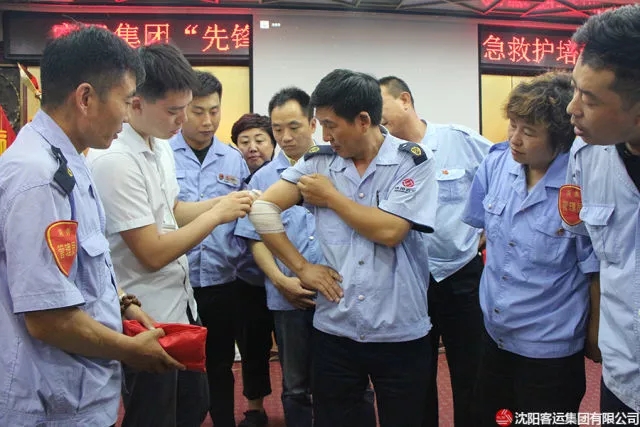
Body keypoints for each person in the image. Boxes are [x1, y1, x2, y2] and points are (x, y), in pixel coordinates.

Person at [0, 26, 184, 427]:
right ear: (85, 98)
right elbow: (47, 317)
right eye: (126, 100)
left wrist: (122, 303)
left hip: (78, 390)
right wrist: (129, 350)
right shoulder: (38, 176)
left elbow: (81, 265)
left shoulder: (69, 160)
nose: (128, 114)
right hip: (50, 403)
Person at [249, 69, 438, 427]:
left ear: (363, 120)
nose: (325, 135)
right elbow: (262, 209)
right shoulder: (318, 160)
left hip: (398, 328)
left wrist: (332, 197)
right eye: (321, 125)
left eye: (331, 125)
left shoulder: (411, 160)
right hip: (336, 327)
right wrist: (301, 267)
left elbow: (390, 230)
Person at [87, 44, 254, 427]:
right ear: (136, 103)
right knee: (154, 414)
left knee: (193, 405)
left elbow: (172, 212)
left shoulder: (159, 145)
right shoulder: (116, 160)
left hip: (180, 305)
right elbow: (152, 253)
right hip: (145, 315)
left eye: (187, 108)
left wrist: (224, 202)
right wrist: (217, 215)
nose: (183, 120)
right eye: (174, 111)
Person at [461, 71, 600, 426]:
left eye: (529, 131)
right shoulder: (496, 164)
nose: (514, 139)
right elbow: (482, 230)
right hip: (494, 334)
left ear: (560, 139)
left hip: (548, 347)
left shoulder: (581, 183)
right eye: (512, 125)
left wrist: (595, 333)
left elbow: (595, 270)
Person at [379, 76, 490, 427]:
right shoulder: (384, 155)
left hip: (461, 274)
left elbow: (504, 175)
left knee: (471, 371)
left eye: (381, 109)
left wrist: (489, 228)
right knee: (415, 376)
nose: (378, 121)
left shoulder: (458, 140)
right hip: (410, 279)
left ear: (405, 100)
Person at [170, 71, 272, 427]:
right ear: (183, 109)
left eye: (214, 111)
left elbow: (246, 219)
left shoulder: (232, 159)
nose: (207, 121)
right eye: (198, 111)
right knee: (178, 367)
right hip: (176, 281)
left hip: (223, 282)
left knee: (220, 364)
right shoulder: (163, 154)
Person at [564, 4, 640, 416]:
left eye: (589, 99)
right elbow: (594, 251)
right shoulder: (587, 156)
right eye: (575, 89)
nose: (571, 108)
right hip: (623, 376)